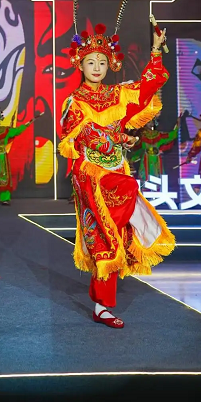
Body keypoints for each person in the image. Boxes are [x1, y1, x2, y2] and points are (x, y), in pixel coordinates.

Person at [59, 20, 175, 329]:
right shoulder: (75, 102)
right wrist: (119, 137)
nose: (97, 67)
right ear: (80, 65)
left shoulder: (117, 94)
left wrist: (155, 51)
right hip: (91, 174)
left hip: (115, 168)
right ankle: (102, 304)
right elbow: (82, 136)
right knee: (106, 230)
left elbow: (146, 88)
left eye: (102, 61)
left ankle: (101, 305)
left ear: (110, 64)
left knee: (111, 237)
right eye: (91, 62)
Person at [128, 115, 181, 184]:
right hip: (146, 159)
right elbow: (136, 148)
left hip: (156, 159)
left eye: (151, 122)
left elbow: (171, 135)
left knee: (157, 177)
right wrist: (132, 159)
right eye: (148, 122)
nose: (150, 124)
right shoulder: (141, 136)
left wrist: (178, 124)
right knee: (145, 179)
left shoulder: (158, 135)